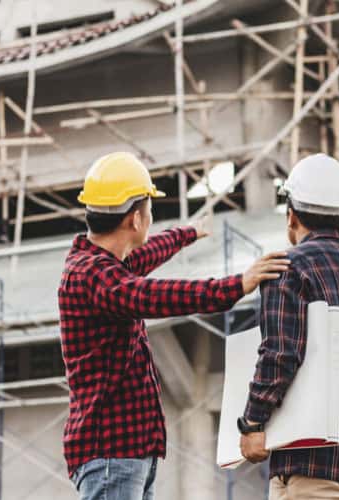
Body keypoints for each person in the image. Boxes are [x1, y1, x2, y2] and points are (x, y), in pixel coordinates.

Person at [59, 152, 289, 500]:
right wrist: (237, 285)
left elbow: (144, 256)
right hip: (111, 455)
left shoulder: (100, 266)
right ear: (136, 219)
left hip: (126, 454)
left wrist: (186, 234)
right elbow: (154, 295)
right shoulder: (94, 277)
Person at [238, 154, 339, 500]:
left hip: (313, 464)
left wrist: (251, 423)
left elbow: (280, 354)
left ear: (291, 215)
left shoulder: (288, 268)